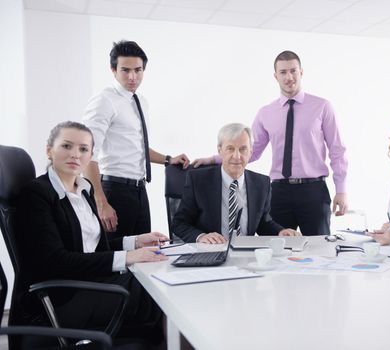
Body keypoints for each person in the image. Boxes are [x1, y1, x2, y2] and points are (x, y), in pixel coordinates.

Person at [16, 121, 168, 346]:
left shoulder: (84, 188)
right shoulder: (37, 194)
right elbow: (55, 261)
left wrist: (134, 242)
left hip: (92, 284)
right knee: (158, 290)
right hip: (62, 299)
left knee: (156, 282)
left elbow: (92, 248)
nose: (75, 154)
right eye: (67, 146)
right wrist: (126, 258)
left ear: (90, 155)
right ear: (49, 150)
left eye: (83, 149)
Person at [193, 50, 348, 235]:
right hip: (278, 192)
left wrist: (342, 190)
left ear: (301, 72)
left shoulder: (322, 107)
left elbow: (337, 151)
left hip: (313, 191)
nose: (289, 77)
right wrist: (213, 159)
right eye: (283, 72)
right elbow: (251, 151)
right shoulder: (266, 113)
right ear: (276, 76)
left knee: (318, 251)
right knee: (275, 248)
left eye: (293, 71)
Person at [83, 40, 190, 239]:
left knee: (142, 255)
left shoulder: (140, 101)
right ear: (113, 70)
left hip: (139, 190)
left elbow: (138, 147)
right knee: (117, 259)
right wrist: (100, 201)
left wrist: (168, 159)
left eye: (138, 70)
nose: (133, 77)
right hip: (114, 190)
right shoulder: (104, 101)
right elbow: (87, 154)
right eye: (125, 70)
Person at [174, 123, 301, 244]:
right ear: (220, 150)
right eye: (230, 149)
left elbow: (263, 223)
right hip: (210, 252)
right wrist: (201, 237)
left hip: (245, 255)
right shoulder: (198, 180)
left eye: (243, 149)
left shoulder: (262, 184)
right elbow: (179, 223)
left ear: (251, 152)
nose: (237, 156)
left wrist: (280, 232)